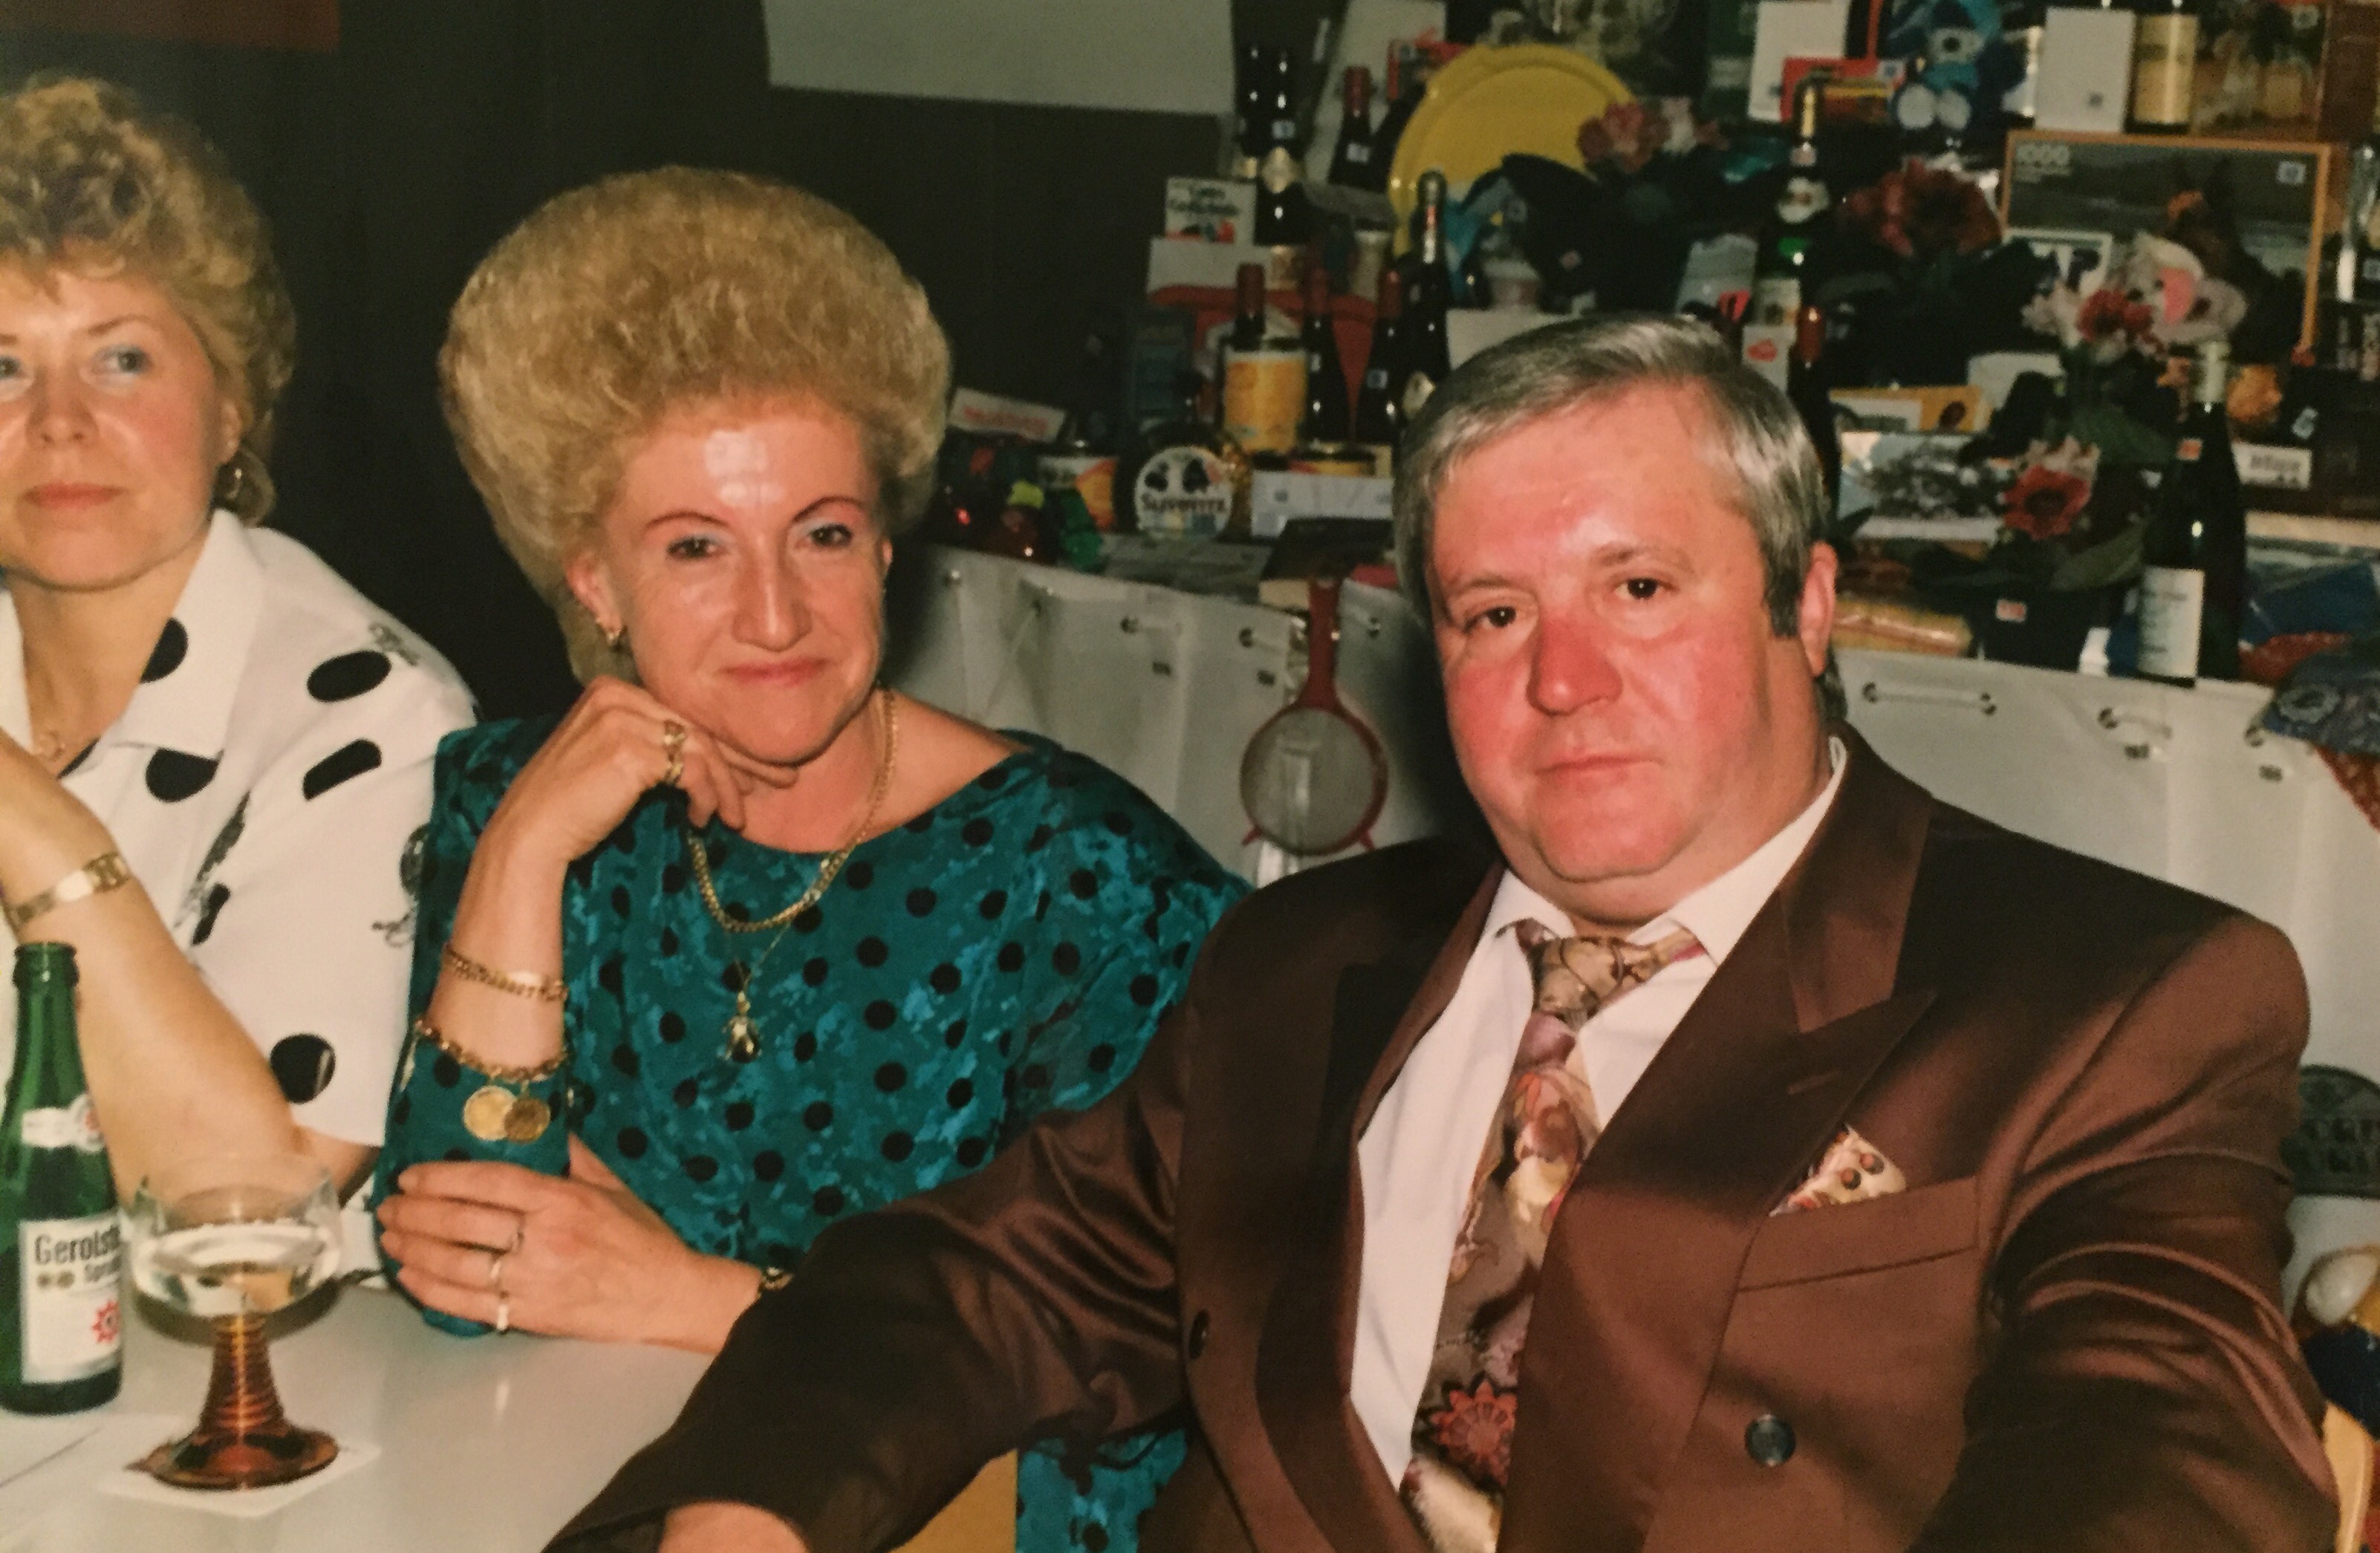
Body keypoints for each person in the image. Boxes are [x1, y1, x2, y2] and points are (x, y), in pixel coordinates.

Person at [553, 314, 2334, 1553]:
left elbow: (2157, 1452)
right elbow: (979, 1280)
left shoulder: (2111, 999)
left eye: (1640, 586)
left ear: (1807, 605)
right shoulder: (1302, 964)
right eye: (1494, 613)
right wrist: (749, 1510)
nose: (1564, 679)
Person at [365, 168, 1243, 1553]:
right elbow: (455, 1260)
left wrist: (682, 1296)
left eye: (822, 534)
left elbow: (1140, 1356)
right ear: (592, 579)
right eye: (695, 548)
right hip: (559, 1480)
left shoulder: (1081, 879)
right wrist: (525, 852)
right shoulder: (517, 803)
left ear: (887, 544)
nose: (776, 615)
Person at [0, 76, 472, 1199]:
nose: (60, 421)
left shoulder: (376, 717)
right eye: (2, 366)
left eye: (122, 359)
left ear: (231, 408)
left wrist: (24, 815)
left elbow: (260, 1200)